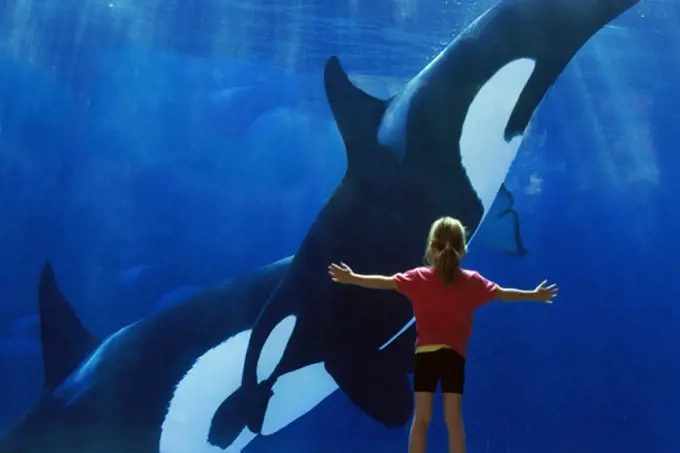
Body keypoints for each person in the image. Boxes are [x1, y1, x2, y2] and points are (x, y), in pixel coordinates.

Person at [328, 216, 558, 453]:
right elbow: (503, 293)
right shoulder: (472, 282)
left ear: (431, 247)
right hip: (453, 358)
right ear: (464, 248)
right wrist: (534, 294)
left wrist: (352, 278)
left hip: (425, 357)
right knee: (453, 421)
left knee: (421, 419)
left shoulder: (418, 277)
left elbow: (384, 282)